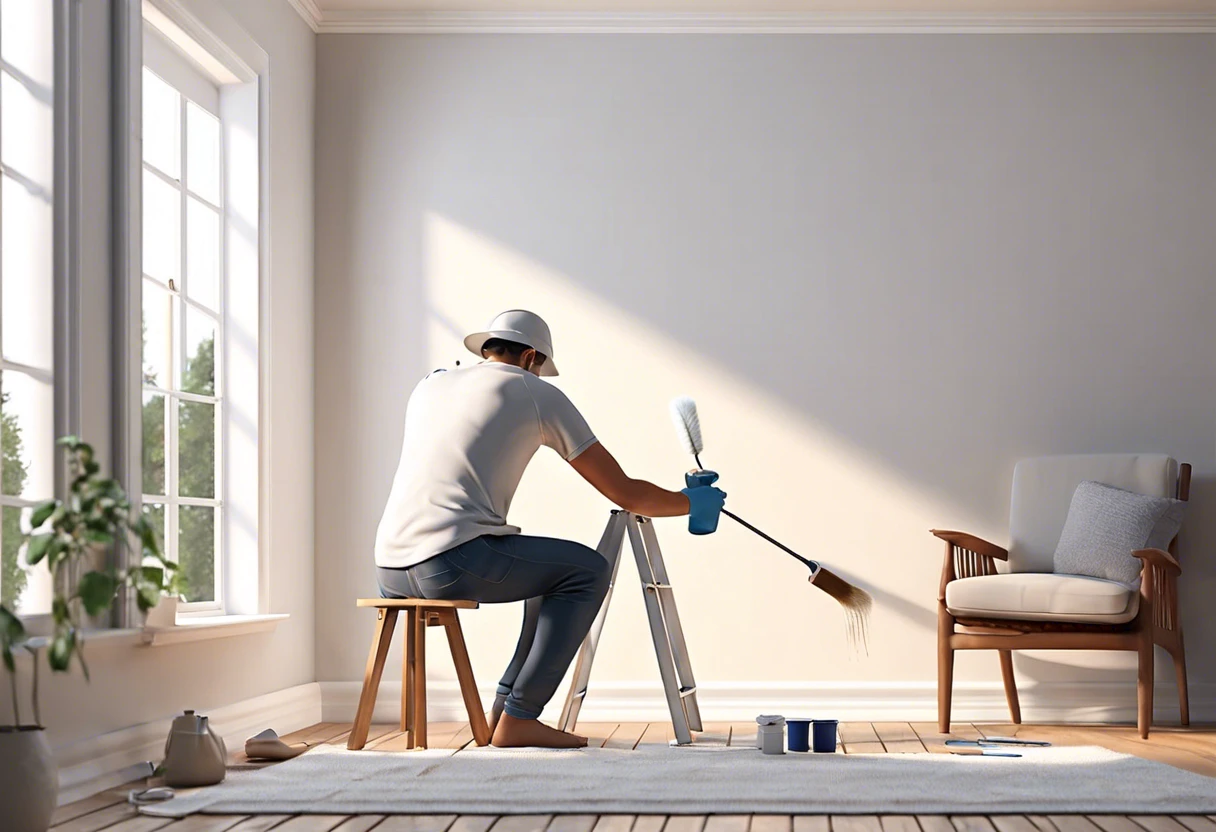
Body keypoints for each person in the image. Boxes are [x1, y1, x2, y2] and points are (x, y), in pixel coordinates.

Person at [374, 309, 727, 749]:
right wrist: (692, 502)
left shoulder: (430, 384)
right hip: (451, 562)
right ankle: (520, 717)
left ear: (487, 349)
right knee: (587, 570)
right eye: (539, 367)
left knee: (545, 568)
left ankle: (506, 709)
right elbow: (624, 492)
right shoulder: (534, 392)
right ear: (529, 358)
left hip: (390, 567)